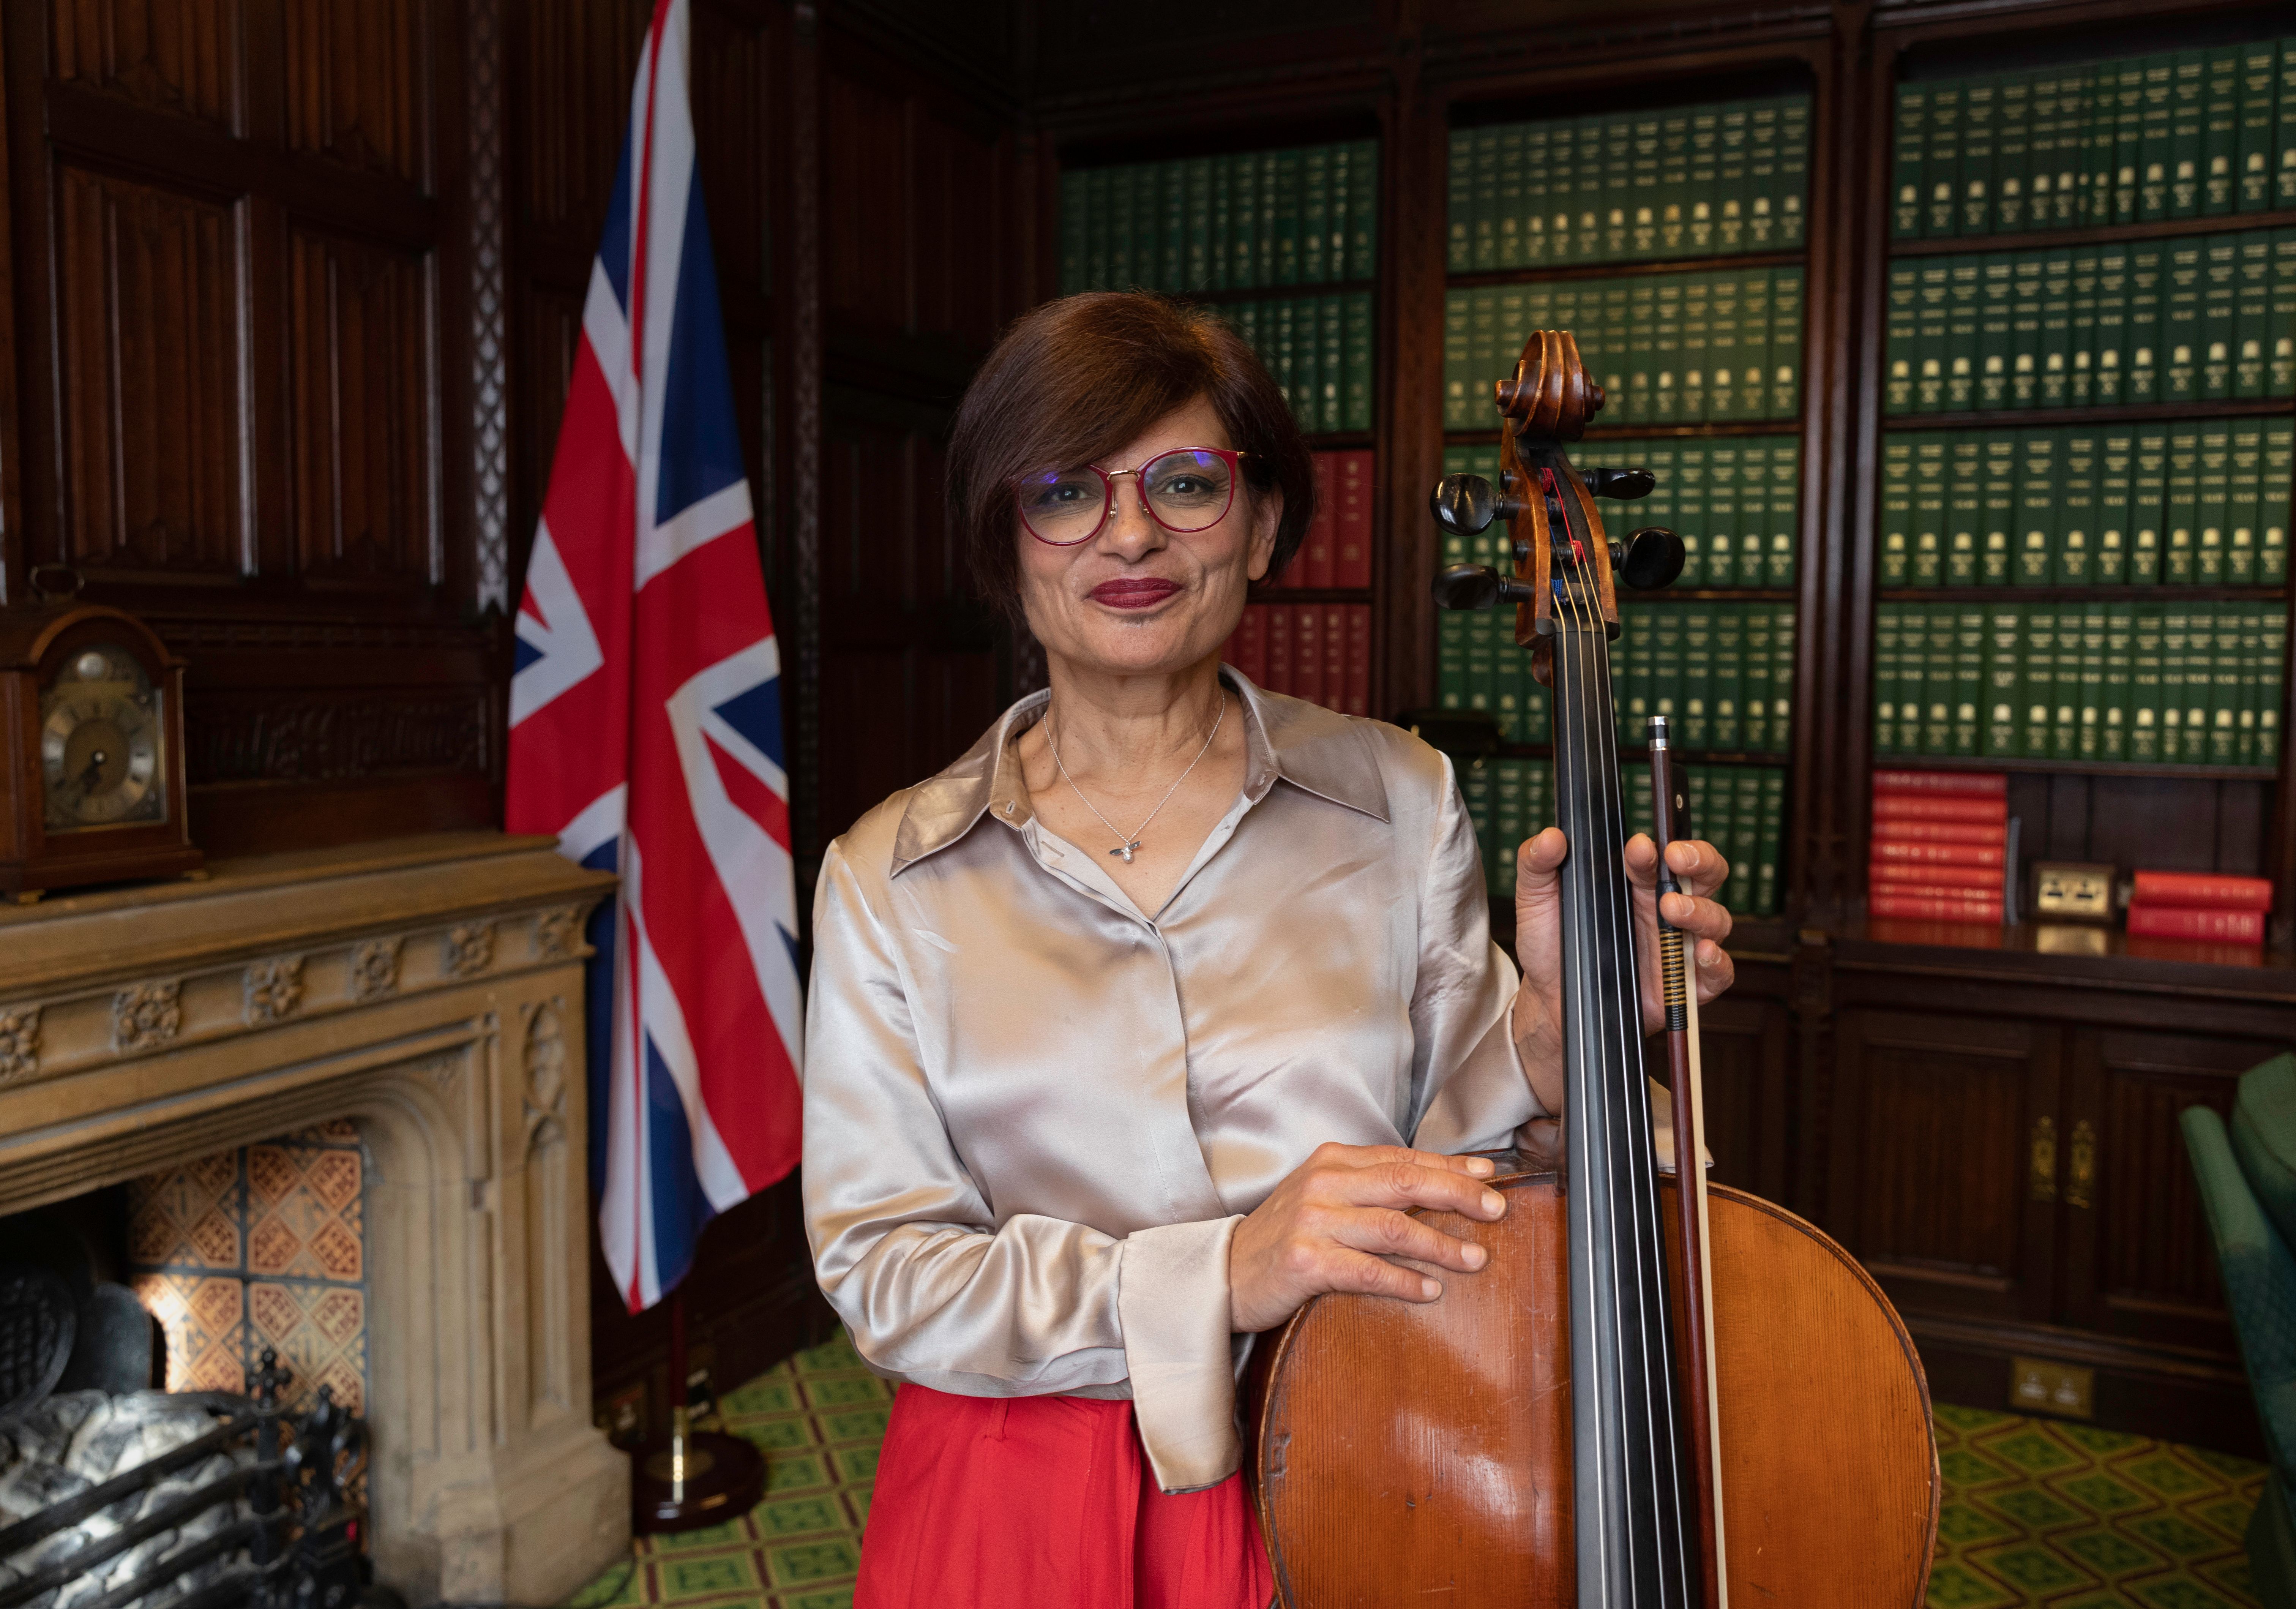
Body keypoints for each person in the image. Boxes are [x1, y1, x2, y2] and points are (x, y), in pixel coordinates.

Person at [801, 292, 1736, 1608]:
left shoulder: (1400, 795)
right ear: (1005, 542)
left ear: (1266, 524)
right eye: (1065, 490)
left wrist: (1551, 1042)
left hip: (1372, 1443)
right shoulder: (886, 878)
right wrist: (1224, 1273)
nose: (1129, 532)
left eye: (1188, 482)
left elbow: (1465, 1171)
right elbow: (885, 1271)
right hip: (1022, 1501)